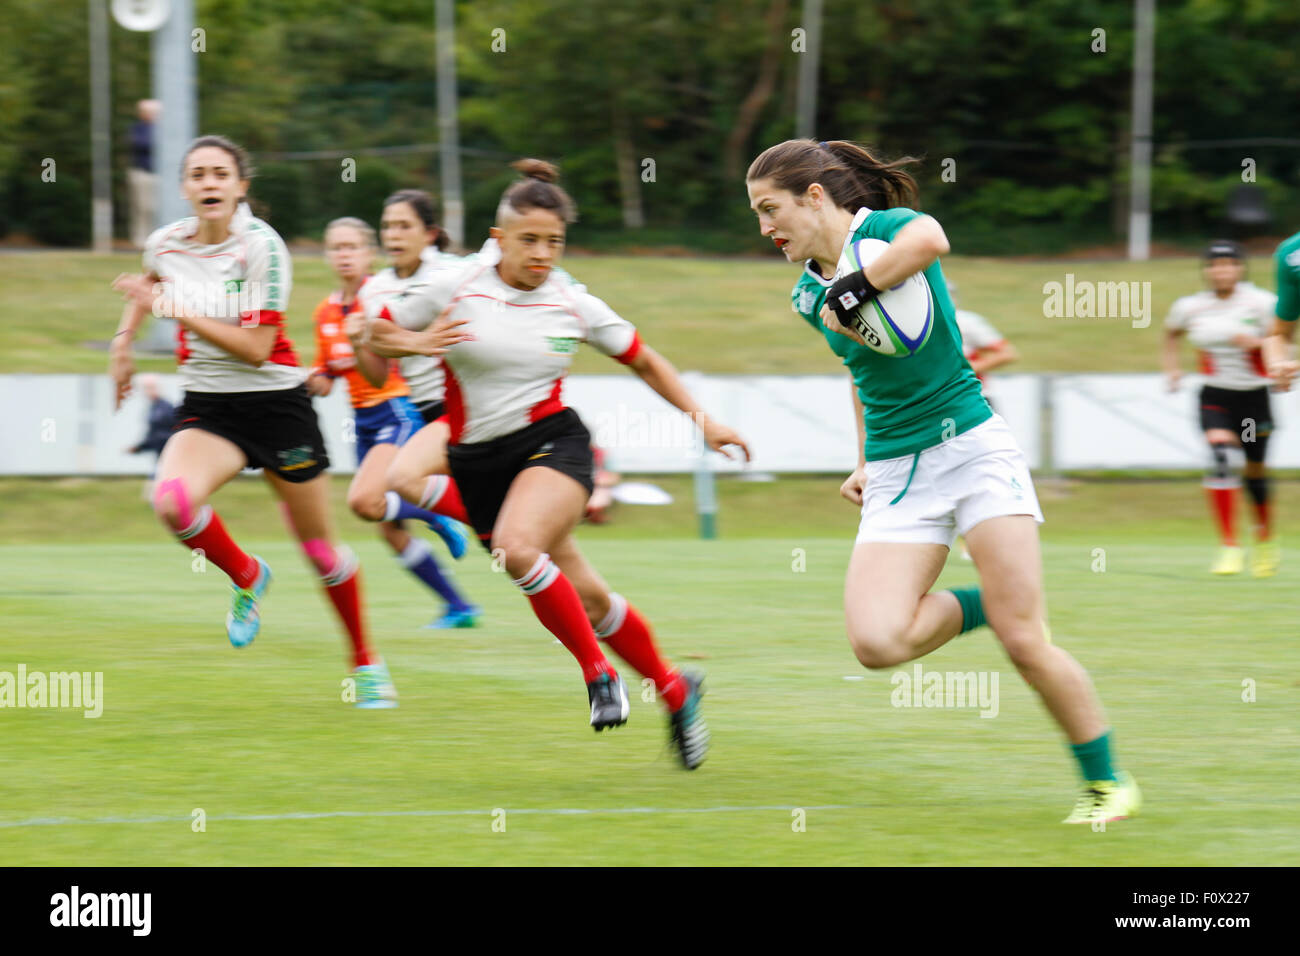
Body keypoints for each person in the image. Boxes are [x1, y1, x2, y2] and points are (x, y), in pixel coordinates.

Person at [746, 138, 1139, 824]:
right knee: (876, 643)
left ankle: (1108, 784)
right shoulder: (807, 295)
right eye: (755, 214)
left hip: (974, 452)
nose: (763, 227)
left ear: (814, 196)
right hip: (899, 471)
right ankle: (986, 604)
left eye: (769, 208)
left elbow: (933, 236)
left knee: (1026, 642)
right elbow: (861, 376)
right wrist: (865, 459)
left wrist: (860, 283)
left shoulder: (884, 233)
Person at [355, 159, 751, 769]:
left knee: (516, 548)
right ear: (498, 240)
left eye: (554, 242)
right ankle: (676, 690)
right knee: (588, 599)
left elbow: (645, 361)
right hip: (477, 462)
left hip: (552, 446)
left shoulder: (574, 303)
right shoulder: (457, 284)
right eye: (529, 240)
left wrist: (705, 422)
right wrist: (414, 342)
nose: (542, 253)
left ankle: (599, 675)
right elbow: (373, 335)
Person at [108, 134, 397, 708]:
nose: (209, 183)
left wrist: (175, 311)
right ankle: (245, 575)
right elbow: (150, 288)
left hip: (276, 406)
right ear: (185, 187)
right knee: (171, 503)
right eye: (198, 175)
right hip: (210, 407)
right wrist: (123, 342)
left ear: (241, 186)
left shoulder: (262, 247)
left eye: (221, 174)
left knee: (320, 550)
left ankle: (366, 663)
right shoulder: (165, 243)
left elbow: (258, 348)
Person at [307, 214, 478, 628]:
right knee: (387, 527)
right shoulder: (326, 312)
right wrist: (311, 380)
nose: (344, 256)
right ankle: (458, 605)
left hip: (397, 408)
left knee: (367, 501)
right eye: (336, 248)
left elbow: (393, 354)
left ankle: (439, 515)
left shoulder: (384, 297)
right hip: (362, 418)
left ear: (369, 253)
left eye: (352, 247)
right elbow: (328, 373)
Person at [1163, 239, 1279, 577]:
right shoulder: (1190, 307)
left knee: (1254, 472)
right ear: (1207, 271)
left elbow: (1282, 340)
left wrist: (1256, 343)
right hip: (1215, 397)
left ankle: (1264, 539)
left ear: (1240, 269)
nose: (1222, 271)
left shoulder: (1262, 303)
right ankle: (1229, 546)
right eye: (1215, 265)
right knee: (1221, 458)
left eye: (1229, 264)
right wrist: (1172, 368)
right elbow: (1170, 334)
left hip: (1254, 399)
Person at [947, 280, 1019, 410]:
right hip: (940, 400)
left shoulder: (966, 321)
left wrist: (966, 369)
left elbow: (1007, 353)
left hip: (973, 396)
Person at [125, 372, 176, 499]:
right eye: (146, 388)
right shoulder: (154, 408)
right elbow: (153, 434)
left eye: (151, 387)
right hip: (161, 452)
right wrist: (140, 447)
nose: (147, 391)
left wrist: (142, 446)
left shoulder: (165, 409)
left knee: (156, 490)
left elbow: (163, 434)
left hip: (167, 451)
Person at [127, 100, 161, 249]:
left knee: (157, 207)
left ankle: (160, 238)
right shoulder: (138, 129)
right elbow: (142, 144)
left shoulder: (165, 128)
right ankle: (141, 240)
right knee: (144, 208)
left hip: (162, 175)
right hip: (143, 173)